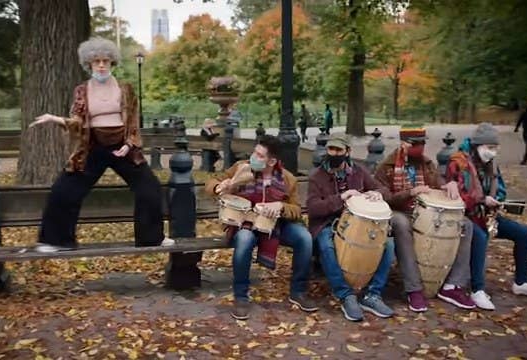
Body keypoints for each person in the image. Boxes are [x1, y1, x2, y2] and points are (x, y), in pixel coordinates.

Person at [28, 37, 174, 252]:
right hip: (93, 147)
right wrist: (55, 119)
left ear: (112, 63)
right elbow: (78, 121)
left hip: (122, 149)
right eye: (97, 61)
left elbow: (133, 120)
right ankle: (56, 241)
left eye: (106, 61)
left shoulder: (125, 89)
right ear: (89, 64)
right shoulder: (82, 90)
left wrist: (129, 144)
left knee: (149, 188)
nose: (102, 65)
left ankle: (151, 238)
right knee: (63, 190)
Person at [205, 135, 318, 320]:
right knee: (244, 239)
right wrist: (219, 187)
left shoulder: (287, 179)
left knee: (304, 238)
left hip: (275, 226)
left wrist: (280, 207)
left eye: (259, 155)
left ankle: (298, 292)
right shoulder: (241, 168)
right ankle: (241, 297)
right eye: (254, 153)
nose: (253, 157)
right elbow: (212, 182)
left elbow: (296, 210)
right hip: (244, 223)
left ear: (272, 161)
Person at [374, 126, 475, 313]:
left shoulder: (427, 164)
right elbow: (384, 196)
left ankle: (453, 286)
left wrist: (448, 185)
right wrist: (410, 192)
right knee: (402, 225)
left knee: (465, 225)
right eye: (415, 144)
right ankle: (414, 289)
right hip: (398, 211)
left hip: (426, 211)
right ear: (403, 144)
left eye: (422, 143)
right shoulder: (386, 167)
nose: (419, 147)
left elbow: (438, 184)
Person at [446, 122, 527, 310]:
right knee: (480, 237)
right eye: (490, 148)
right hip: (465, 217)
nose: (493, 152)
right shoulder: (458, 162)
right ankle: (477, 290)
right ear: (478, 145)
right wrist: (482, 199)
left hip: (487, 216)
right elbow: (457, 195)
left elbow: (501, 189)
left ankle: (521, 283)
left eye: (495, 148)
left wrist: (497, 199)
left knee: (523, 233)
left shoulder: (491, 164)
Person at [307, 134, 395, 322]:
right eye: (331, 149)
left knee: (387, 244)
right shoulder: (317, 176)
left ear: (348, 152)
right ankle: (346, 295)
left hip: (359, 224)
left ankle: (373, 294)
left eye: (339, 150)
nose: (334, 153)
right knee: (326, 245)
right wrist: (341, 198)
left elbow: (384, 190)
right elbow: (313, 208)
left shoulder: (358, 171)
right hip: (327, 223)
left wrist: (377, 194)